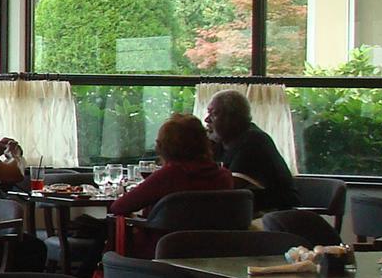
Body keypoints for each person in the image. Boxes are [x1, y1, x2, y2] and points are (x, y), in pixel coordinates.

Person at [107, 112, 235, 256]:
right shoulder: (224, 177)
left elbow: (118, 207)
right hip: (216, 253)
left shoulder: (170, 175)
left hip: (163, 252)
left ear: (163, 147)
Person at [205, 89, 297, 212]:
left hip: (273, 215)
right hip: (246, 212)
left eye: (214, 114)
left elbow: (229, 187)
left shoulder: (253, 141)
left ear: (233, 118)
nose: (206, 120)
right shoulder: (222, 142)